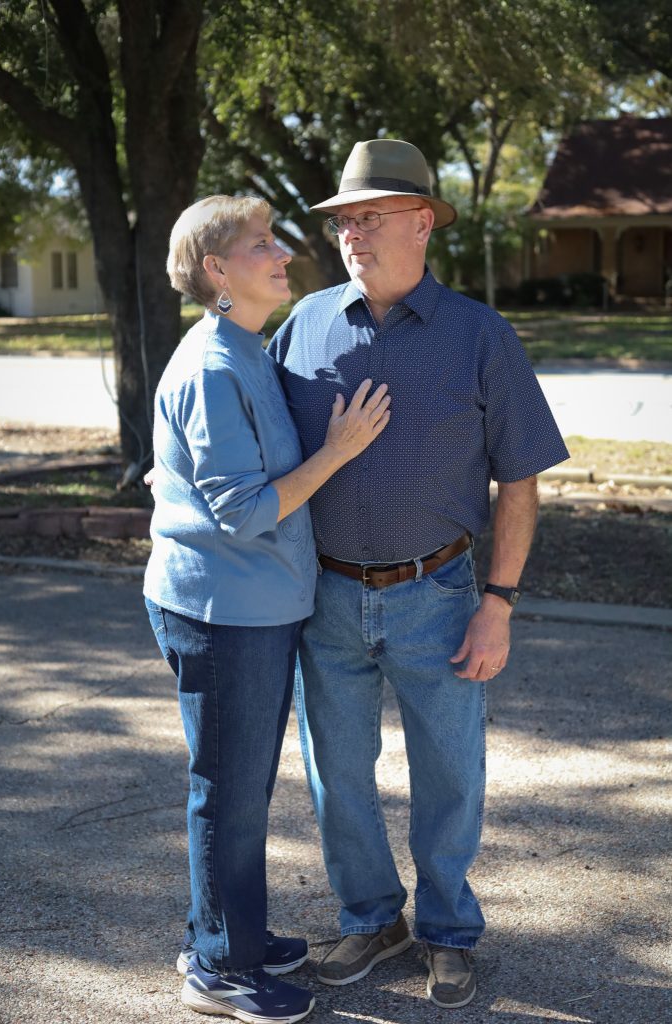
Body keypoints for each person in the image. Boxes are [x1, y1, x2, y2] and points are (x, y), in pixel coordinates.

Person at [268, 139, 569, 1009]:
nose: (351, 234)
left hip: (437, 593)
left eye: (370, 217)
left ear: (423, 221)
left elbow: (519, 481)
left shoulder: (481, 335)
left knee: (450, 772)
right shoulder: (305, 325)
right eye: (344, 221)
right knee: (336, 773)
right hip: (322, 595)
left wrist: (499, 604)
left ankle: (445, 930)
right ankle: (371, 917)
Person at [143, 194, 391, 1023]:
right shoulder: (215, 364)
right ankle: (218, 966)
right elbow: (244, 510)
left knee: (241, 784)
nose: (284, 254)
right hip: (221, 613)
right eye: (261, 245)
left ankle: (228, 931)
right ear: (217, 272)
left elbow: (191, 471)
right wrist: (340, 451)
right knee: (230, 790)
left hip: (252, 605)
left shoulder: (243, 346)